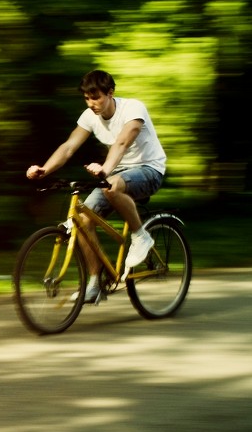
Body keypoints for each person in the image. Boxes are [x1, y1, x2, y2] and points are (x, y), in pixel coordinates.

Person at [26, 69, 166, 302]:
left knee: (110, 185)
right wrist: (45, 169)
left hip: (149, 169)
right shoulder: (89, 116)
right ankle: (95, 283)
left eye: (96, 97)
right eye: (87, 98)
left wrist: (105, 170)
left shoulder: (133, 109)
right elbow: (69, 146)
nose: (91, 103)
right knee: (82, 220)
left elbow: (122, 143)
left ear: (110, 93)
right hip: (117, 171)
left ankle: (140, 235)